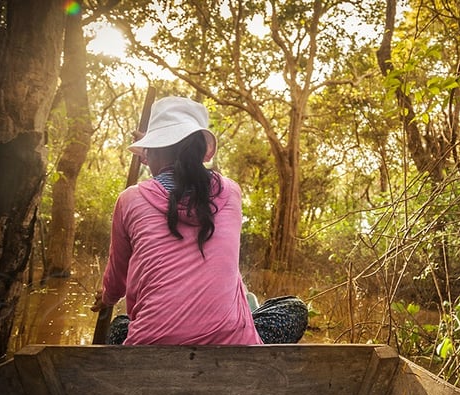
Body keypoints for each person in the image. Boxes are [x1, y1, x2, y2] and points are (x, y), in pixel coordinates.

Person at [91, 96, 307, 345]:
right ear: (201, 152)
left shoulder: (130, 200)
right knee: (293, 308)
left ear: (155, 153)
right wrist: (157, 151)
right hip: (231, 347)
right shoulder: (232, 193)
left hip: (150, 348)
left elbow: (118, 278)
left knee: (120, 326)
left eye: (148, 152)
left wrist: (106, 298)